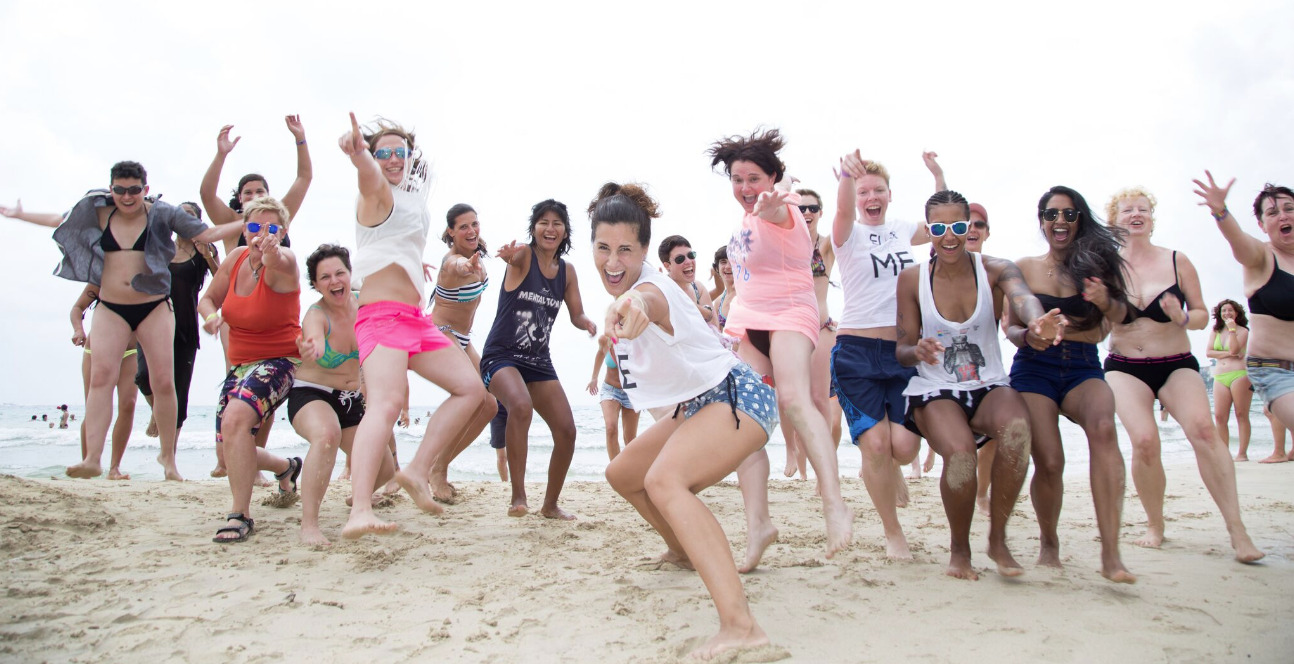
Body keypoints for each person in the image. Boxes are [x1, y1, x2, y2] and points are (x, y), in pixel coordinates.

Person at [595, 182, 778, 659]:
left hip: (739, 396)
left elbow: (642, 306)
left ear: (643, 252)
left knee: (666, 481)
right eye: (602, 248)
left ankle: (742, 626)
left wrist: (628, 309)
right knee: (623, 474)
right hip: (699, 404)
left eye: (625, 250)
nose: (613, 261)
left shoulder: (650, 290)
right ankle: (681, 549)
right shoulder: (636, 286)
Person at [2, 162, 226, 480]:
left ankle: (156, 461)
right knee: (102, 381)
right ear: (111, 189)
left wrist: (243, 225)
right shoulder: (108, 219)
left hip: (163, 315)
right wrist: (19, 214)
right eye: (119, 189)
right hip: (113, 313)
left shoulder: (167, 232)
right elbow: (60, 221)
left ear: (145, 190)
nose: (126, 195)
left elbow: (215, 258)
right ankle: (93, 458)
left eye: (134, 189)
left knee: (156, 389)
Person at [896, 190, 1063, 580]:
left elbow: (1024, 301)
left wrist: (1038, 323)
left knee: (1018, 432)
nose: (949, 236)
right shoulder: (912, 279)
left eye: (958, 226)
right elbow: (900, 349)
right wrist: (916, 349)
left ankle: (998, 537)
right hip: (936, 389)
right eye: (938, 228)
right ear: (929, 230)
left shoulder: (995, 269)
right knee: (960, 455)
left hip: (989, 383)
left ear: (970, 226)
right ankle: (960, 550)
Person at [337, 114, 487, 538]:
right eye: (381, 152)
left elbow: (397, 239)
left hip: (414, 319)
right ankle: (360, 510)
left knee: (471, 388)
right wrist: (360, 157)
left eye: (398, 152)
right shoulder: (376, 193)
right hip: (380, 316)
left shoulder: (410, 196)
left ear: (409, 155)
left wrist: (410, 262)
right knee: (384, 404)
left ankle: (418, 470)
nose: (390, 159)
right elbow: (368, 178)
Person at [709, 129, 852, 568]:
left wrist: (778, 199)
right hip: (747, 321)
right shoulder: (745, 221)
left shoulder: (784, 209)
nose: (745, 188)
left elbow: (781, 212)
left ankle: (833, 503)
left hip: (790, 314)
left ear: (772, 176)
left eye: (754, 177)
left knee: (793, 396)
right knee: (744, 419)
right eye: (737, 179)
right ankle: (759, 526)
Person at [1099, 185, 1263, 562]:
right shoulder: (1104, 266)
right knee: (1143, 441)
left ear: (1152, 219)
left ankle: (1238, 531)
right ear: (1115, 221)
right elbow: (1097, 324)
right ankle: (1154, 524)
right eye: (1127, 211)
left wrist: (1184, 318)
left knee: (1205, 432)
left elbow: (1203, 313)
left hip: (1175, 363)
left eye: (1143, 209)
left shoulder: (1176, 260)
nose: (1136, 214)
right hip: (1125, 367)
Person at [1006, 185, 1135, 582]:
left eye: (1068, 214)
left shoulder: (1098, 266)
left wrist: (1102, 301)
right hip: (1034, 368)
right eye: (1051, 214)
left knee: (1103, 427)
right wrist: (1034, 335)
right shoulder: (1023, 267)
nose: (1059, 221)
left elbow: (1114, 320)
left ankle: (1111, 553)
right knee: (1050, 460)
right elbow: (1010, 329)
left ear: (1079, 220)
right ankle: (1049, 542)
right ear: (1041, 220)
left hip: (1083, 368)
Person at [829, 150, 931, 559]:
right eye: (863, 190)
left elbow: (943, 228)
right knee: (875, 446)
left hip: (903, 352)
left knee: (904, 448)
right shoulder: (846, 234)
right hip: (856, 351)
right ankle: (893, 533)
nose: (871, 196)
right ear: (856, 197)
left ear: (889, 195)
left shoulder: (902, 229)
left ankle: (893, 468)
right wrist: (845, 179)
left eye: (878, 190)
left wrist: (938, 176)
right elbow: (839, 208)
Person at [479, 198, 597, 519]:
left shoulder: (566, 272)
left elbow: (576, 313)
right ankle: (519, 497)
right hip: (500, 356)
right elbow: (514, 258)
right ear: (533, 228)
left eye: (557, 223)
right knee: (519, 406)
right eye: (543, 222)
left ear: (565, 231)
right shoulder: (525, 256)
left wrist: (585, 322)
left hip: (537, 361)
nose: (550, 228)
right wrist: (508, 256)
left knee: (567, 431)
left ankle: (550, 505)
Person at [197, 197, 304, 542]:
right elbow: (207, 299)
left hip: (280, 362)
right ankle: (286, 467)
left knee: (235, 422)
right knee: (228, 453)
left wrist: (273, 250)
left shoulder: (285, 262)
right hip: (241, 367)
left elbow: (277, 259)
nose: (262, 235)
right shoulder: (234, 258)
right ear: (244, 229)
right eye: (255, 227)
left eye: (272, 228)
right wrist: (212, 319)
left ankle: (239, 515)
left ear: (283, 232)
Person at [289, 244, 396, 546]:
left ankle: (358, 496)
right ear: (315, 284)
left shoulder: (365, 304)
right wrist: (314, 345)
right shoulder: (317, 314)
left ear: (351, 274)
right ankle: (309, 524)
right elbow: (311, 333)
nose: (334, 281)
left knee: (385, 466)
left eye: (340, 273)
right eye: (325, 277)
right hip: (312, 392)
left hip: (349, 399)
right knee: (326, 435)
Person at [426, 203, 500, 501]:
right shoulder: (452, 262)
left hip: (463, 338)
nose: (471, 231)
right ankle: (433, 469)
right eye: (464, 227)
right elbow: (453, 267)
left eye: (474, 224)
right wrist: (464, 266)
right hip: (441, 333)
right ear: (451, 232)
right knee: (475, 396)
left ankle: (439, 464)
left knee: (491, 404)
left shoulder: (478, 256)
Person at [137, 201, 220, 444]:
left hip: (184, 325)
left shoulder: (205, 248)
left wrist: (207, 256)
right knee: (143, 376)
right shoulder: (160, 247)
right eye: (179, 215)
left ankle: (169, 456)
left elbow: (223, 281)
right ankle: (157, 410)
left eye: (189, 215)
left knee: (179, 391)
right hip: (152, 321)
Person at [775, 188, 835, 481]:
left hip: (822, 327)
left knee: (820, 400)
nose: (807, 213)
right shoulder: (783, 243)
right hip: (790, 326)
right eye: (801, 209)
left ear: (820, 212)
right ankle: (791, 449)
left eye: (813, 208)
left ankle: (825, 468)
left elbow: (849, 222)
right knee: (786, 398)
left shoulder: (826, 245)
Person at [200, 117, 312, 253]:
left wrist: (300, 138)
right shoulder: (229, 220)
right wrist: (221, 155)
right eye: (248, 193)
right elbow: (207, 195)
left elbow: (304, 177)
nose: (254, 196)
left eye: (260, 191)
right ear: (239, 198)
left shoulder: (280, 214)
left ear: (267, 195)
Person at [70, 284, 138, 480]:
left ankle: (114, 468)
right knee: (93, 406)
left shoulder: (144, 276)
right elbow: (77, 308)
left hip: (130, 349)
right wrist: (78, 330)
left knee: (129, 404)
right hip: (97, 349)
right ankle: (87, 464)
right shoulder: (102, 277)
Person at [1207, 299, 1254, 460]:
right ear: (1219, 314)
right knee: (1220, 416)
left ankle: (1242, 453)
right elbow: (1209, 352)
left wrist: (1232, 330)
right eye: (1224, 311)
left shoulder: (1243, 331)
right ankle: (1224, 454)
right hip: (1220, 376)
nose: (1227, 313)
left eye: (1230, 310)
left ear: (1237, 313)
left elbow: (1235, 348)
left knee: (1241, 414)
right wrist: (1228, 354)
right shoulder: (1216, 331)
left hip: (1239, 375)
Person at [659, 235, 718, 327]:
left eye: (691, 255)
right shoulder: (662, 292)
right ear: (667, 266)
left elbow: (715, 328)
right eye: (680, 259)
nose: (688, 261)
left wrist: (684, 301)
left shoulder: (698, 288)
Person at [712, 246, 735, 332]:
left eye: (733, 262)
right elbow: (717, 335)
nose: (728, 267)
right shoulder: (718, 302)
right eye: (723, 262)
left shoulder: (746, 294)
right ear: (717, 268)